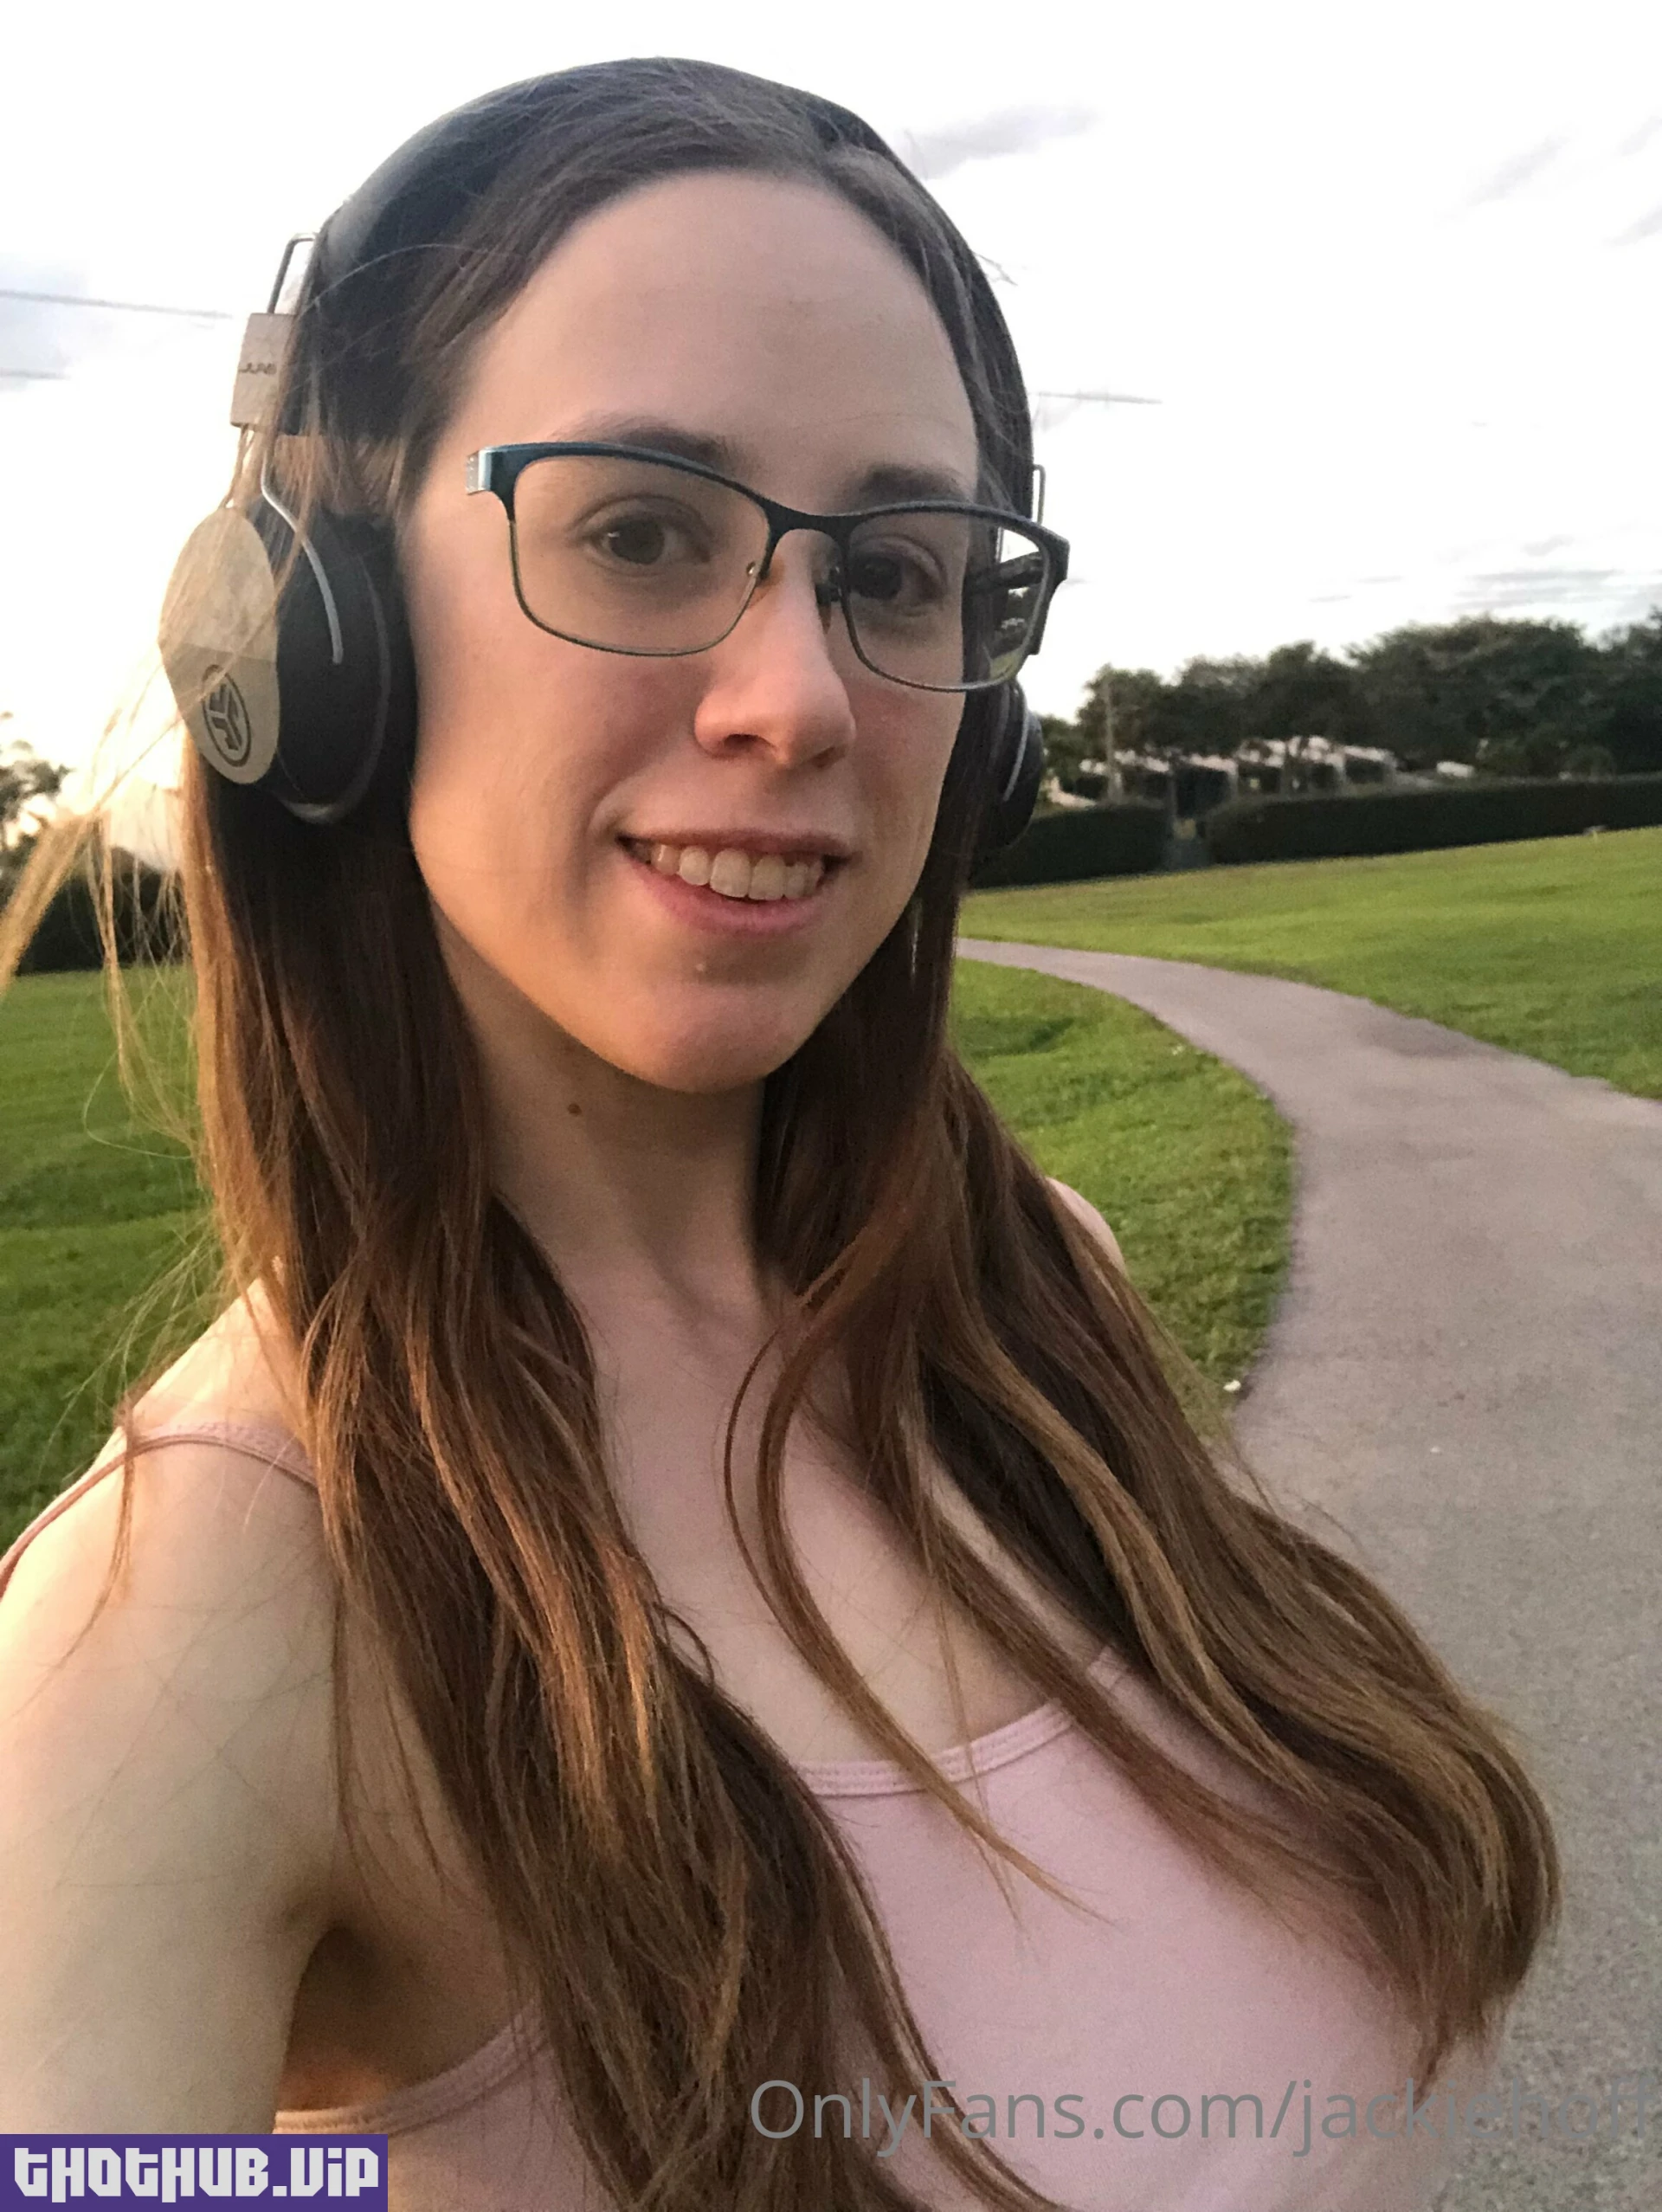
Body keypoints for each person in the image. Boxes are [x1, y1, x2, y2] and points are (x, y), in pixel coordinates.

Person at [0, 57, 1557, 2212]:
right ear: (313, 633)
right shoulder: (187, 1619)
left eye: (899, 571)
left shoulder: (1051, 1295)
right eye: (642, 531)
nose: (802, 696)